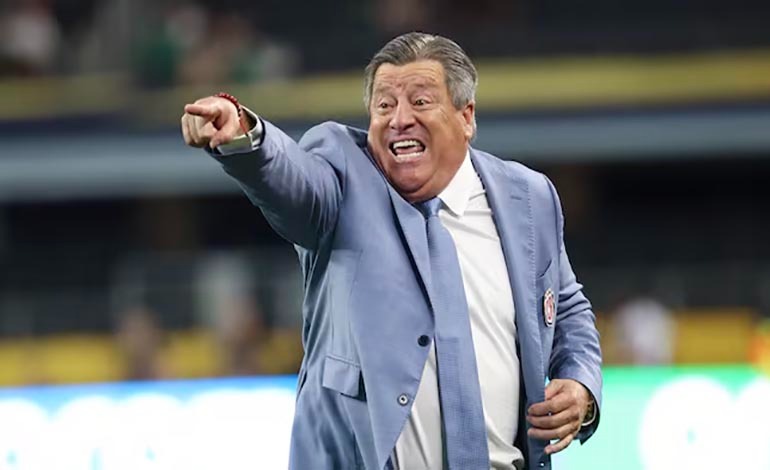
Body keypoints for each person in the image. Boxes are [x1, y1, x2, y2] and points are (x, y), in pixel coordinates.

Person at [181, 32, 602, 470]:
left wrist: (581, 384)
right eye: (384, 105)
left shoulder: (529, 197)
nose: (400, 119)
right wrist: (245, 136)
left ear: (466, 117)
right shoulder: (342, 173)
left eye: (420, 102)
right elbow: (292, 179)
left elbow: (566, 307)